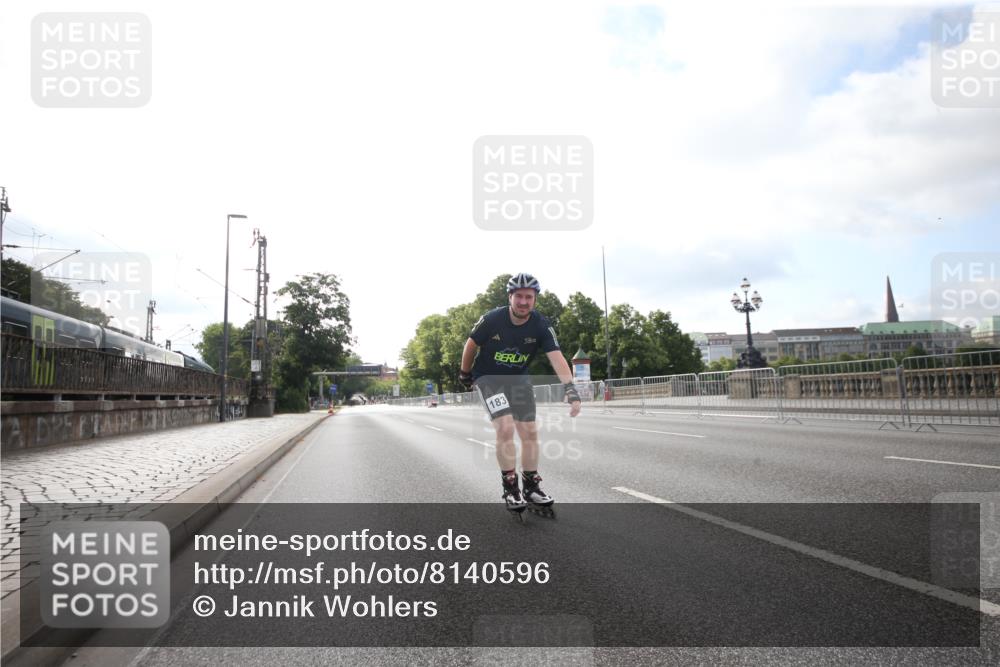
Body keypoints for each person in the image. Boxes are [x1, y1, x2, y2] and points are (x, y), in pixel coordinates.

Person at [458, 273, 582, 514]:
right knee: (505, 428)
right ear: (510, 297)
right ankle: (511, 487)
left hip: (518, 380)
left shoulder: (541, 325)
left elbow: (557, 357)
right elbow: (471, 344)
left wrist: (570, 388)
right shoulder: (492, 319)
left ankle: (531, 487)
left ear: (535, 299)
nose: (524, 302)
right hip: (488, 379)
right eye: (519, 296)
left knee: (529, 432)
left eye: (529, 297)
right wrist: (465, 372)